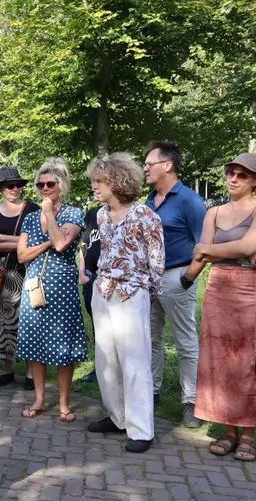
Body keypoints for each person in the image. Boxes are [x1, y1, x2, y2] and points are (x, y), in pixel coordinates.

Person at [85, 154, 164, 454]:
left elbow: (157, 260)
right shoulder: (102, 216)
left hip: (133, 294)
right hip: (103, 291)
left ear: (116, 182)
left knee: (134, 360)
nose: (94, 186)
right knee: (106, 360)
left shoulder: (147, 216)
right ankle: (118, 419)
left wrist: (150, 294)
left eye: (98, 181)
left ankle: (142, 429)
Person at [191, 153, 256, 461]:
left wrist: (209, 248)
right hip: (219, 288)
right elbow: (206, 258)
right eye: (230, 172)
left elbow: (243, 247)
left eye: (242, 175)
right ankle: (228, 430)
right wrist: (209, 255)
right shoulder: (214, 212)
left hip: (250, 289)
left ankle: (248, 434)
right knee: (220, 361)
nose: (233, 178)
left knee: (248, 362)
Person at [17, 157, 87, 424]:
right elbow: (22, 256)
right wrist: (46, 242)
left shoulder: (72, 213)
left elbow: (60, 244)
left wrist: (49, 217)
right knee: (35, 344)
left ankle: (63, 403)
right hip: (34, 286)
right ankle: (39, 399)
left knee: (62, 346)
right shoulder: (30, 218)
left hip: (62, 288)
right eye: (40, 184)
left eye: (50, 184)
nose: (44, 188)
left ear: (61, 186)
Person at [143, 141, 206, 428]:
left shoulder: (189, 200)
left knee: (185, 343)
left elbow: (205, 244)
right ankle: (152, 393)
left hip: (177, 276)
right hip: (149, 281)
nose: (145, 168)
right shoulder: (148, 200)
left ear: (167, 166)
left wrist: (187, 278)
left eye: (149, 164)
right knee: (151, 339)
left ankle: (189, 402)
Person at [0, 166, 39, 389]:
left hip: (26, 271)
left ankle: (31, 374)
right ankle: (7, 370)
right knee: (2, 322)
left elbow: (36, 242)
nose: (15, 189)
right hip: (0, 273)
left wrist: (4, 239)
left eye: (18, 185)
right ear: (1, 189)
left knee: (27, 321)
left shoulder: (33, 209)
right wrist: (22, 241)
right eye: (10, 185)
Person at [76, 204, 102, 383]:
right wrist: (82, 273)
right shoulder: (93, 213)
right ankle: (99, 369)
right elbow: (84, 244)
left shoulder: (125, 212)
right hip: (90, 278)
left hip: (109, 279)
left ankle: (116, 372)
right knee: (97, 326)